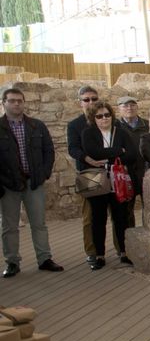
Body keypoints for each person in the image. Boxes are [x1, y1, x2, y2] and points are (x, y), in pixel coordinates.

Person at [0, 87, 62, 276]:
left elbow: (48, 150)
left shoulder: (36, 126)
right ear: (3, 103)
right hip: (8, 184)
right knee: (9, 226)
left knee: (39, 223)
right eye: (12, 100)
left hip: (33, 182)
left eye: (19, 100)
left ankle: (44, 259)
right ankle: (12, 261)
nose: (16, 104)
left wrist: (44, 174)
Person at [82, 100, 137, 270]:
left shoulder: (121, 133)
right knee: (98, 218)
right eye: (99, 116)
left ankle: (124, 252)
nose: (104, 118)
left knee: (121, 217)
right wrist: (119, 151)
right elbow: (93, 152)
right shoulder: (88, 133)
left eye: (107, 115)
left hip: (118, 179)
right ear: (93, 118)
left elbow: (132, 154)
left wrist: (106, 157)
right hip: (97, 179)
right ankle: (99, 255)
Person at [67, 85, 101, 263]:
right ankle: (92, 252)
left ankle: (122, 250)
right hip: (88, 173)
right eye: (86, 100)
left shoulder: (107, 119)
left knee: (118, 213)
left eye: (94, 99)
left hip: (109, 170)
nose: (91, 102)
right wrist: (88, 159)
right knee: (90, 215)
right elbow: (73, 148)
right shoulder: (75, 125)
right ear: (79, 102)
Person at [115, 95, 147, 223]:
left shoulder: (147, 124)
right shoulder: (115, 127)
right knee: (126, 211)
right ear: (119, 108)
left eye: (132, 105)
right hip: (126, 172)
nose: (129, 108)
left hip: (145, 171)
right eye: (125, 105)